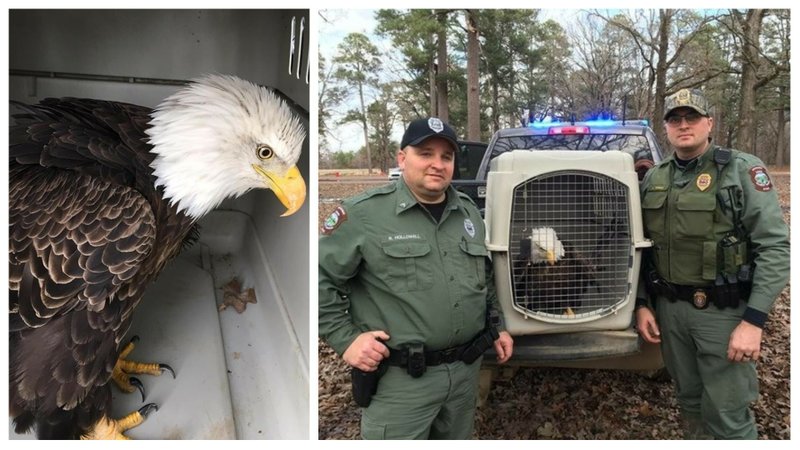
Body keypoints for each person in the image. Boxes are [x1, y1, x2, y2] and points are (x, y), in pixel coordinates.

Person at [319, 117, 514, 440]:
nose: (437, 164)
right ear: (402, 158)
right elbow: (320, 279)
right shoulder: (363, 215)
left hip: (465, 374)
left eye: (446, 157)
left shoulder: (468, 214)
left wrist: (499, 325)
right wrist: (346, 339)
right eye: (426, 153)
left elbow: (483, 279)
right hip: (402, 383)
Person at [636, 89, 789, 439]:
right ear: (666, 128)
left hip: (722, 313)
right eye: (675, 119)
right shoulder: (655, 178)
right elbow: (644, 249)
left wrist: (754, 321)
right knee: (689, 403)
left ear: (710, 123)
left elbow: (776, 248)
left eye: (692, 117)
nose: (683, 125)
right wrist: (644, 303)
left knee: (727, 416)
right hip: (670, 312)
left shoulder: (740, 170)